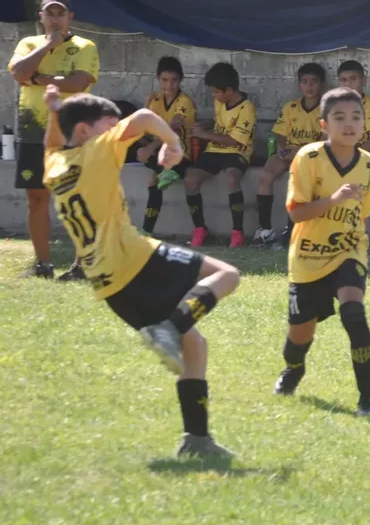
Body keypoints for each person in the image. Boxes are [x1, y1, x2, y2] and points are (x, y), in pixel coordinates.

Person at [40, 85, 240, 458]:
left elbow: (52, 142)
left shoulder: (55, 167)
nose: (119, 134)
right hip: (134, 259)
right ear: (86, 131)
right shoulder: (97, 150)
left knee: (195, 345)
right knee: (227, 275)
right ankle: (168, 329)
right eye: (110, 126)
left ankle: (196, 440)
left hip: (107, 285)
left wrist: (54, 109)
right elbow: (146, 118)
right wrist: (171, 143)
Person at [272, 87, 370, 417]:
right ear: (323, 125)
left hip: (349, 249)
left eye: (356, 117)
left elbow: (361, 216)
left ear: (364, 123)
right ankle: (294, 369)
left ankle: (368, 398)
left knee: (354, 314)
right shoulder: (307, 158)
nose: (349, 124)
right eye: (339, 118)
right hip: (307, 256)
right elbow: (297, 214)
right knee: (299, 337)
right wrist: (334, 199)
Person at [6, 0, 99, 281]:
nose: (55, 19)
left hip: (74, 133)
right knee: (36, 198)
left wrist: (39, 79)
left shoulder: (85, 46)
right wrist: (48, 46)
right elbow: (19, 72)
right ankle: (43, 265)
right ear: (41, 17)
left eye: (60, 13)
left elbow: (78, 83)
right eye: (50, 13)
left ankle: (82, 266)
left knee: (76, 198)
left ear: (71, 17)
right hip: (33, 132)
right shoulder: (28, 44)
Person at [253, 62, 327, 249]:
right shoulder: (290, 107)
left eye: (313, 82)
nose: (309, 86)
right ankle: (265, 230)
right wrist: (281, 148)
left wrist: (301, 150)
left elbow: (326, 140)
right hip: (288, 151)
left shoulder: (327, 107)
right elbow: (280, 132)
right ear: (299, 84)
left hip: (312, 154)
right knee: (265, 176)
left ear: (322, 84)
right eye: (304, 82)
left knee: (296, 181)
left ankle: (291, 230)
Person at [183, 62, 257, 248]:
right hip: (215, 150)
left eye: (216, 92)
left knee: (232, 178)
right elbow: (219, 123)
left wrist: (204, 135)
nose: (213, 95)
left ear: (229, 90)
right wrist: (205, 126)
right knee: (190, 179)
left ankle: (237, 233)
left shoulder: (246, 108)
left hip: (237, 151)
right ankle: (200, 229)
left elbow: (236, 140)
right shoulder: (220, 102)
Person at [137, 56, 197, 236]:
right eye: (164, 80)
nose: (169, 86)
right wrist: (146, 105)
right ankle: (146, 231)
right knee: (136, 148)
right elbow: (144, 127)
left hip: (182, 154)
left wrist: (149, 148)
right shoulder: (156, 101)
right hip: (161, 150)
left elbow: (172, 130)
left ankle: (146, 230)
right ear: (158, 79)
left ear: (180, 80)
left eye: (174, 81)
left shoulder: (185, 102)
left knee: (153, 179)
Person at [336, 60, 370, 161]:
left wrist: (351, 156)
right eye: (343, 80)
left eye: (353, 79)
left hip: (368, 154)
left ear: (363, 81)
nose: (348, 84)